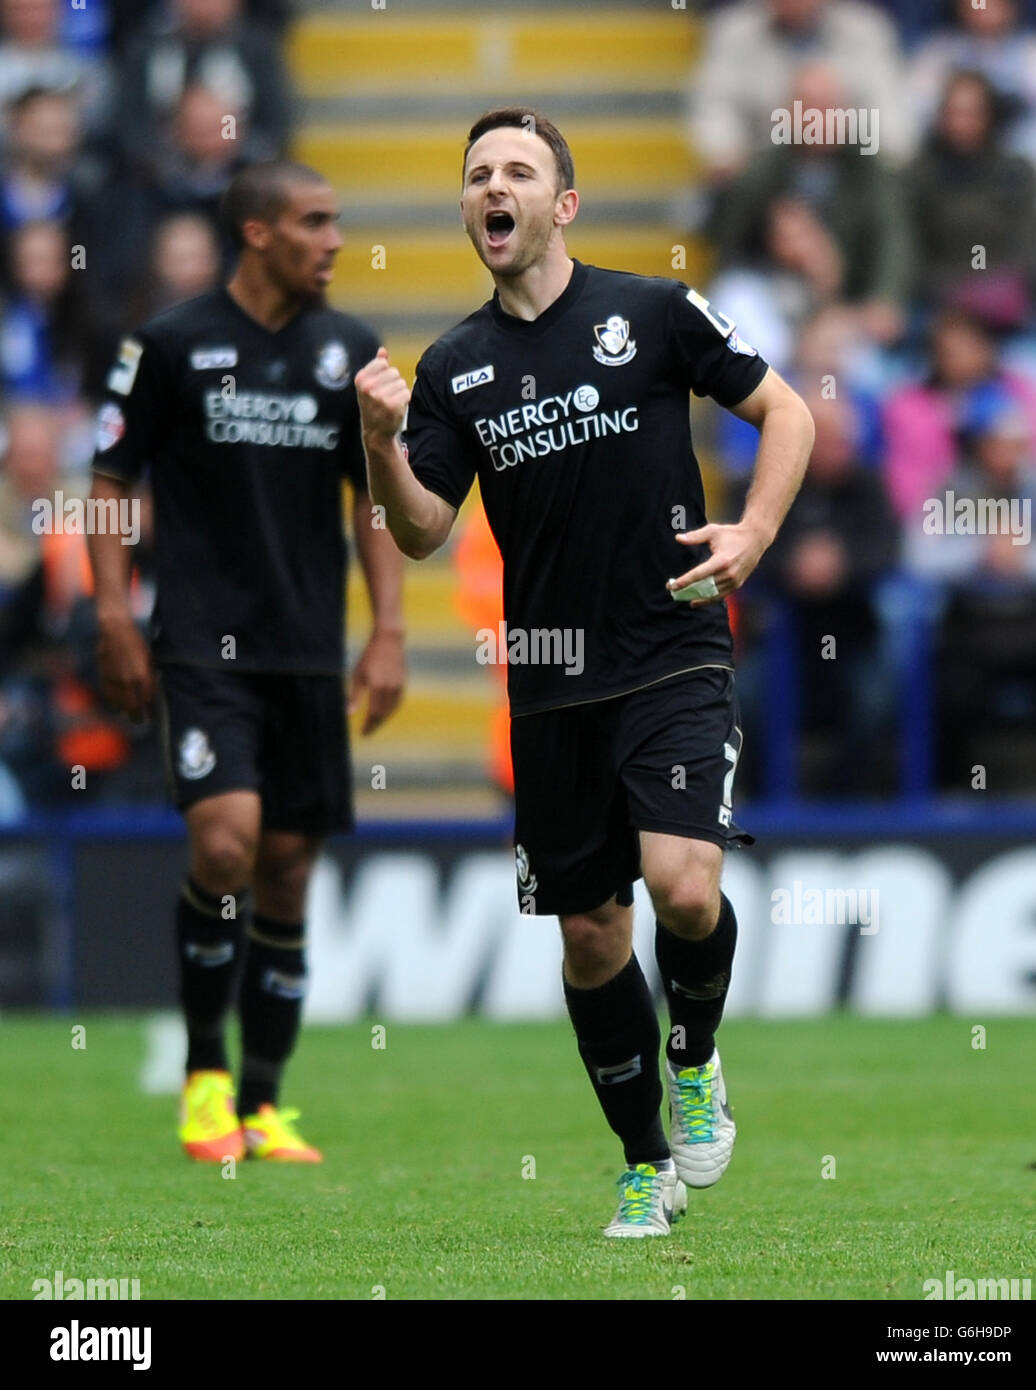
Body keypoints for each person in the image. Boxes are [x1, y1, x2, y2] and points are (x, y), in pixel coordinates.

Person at [355, 108, 813, 1236]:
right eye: (474, 176)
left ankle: (694, 1056)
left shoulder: (650, 313)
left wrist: (751, 532)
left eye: (516, 171)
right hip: (550, 683)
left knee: (685, 885)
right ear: (465, 211)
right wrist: (377, 441)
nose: (491, 188)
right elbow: (418, 531)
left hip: (673, 649)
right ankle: (641, 1161)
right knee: (589, 934)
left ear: (562, 203)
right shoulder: (454, 369)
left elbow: (785, 410)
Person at [87, 160, 405, 1164]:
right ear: (258, 232)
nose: (334, 239)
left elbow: (378, 504)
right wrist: (112, 614)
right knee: (225, 843)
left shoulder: (349, 352)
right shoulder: (170, 345)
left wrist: (388, 631)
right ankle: (202, 1079)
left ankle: (264, 1104)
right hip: (200, 647)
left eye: (337, 220)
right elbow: (107, 480)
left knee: (287, 869)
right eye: (315, 221)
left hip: (307, 652)